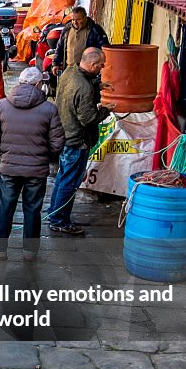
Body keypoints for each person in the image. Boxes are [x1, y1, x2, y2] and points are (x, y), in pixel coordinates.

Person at [0, 67, 65, 262]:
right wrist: (44, 158)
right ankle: (30, 252)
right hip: (36, 170)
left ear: (19, 83)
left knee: (6, 207)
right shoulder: (49, 109)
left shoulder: (2, 105)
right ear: (39, 85)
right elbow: (57, 143)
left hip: (9, 168)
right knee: (32, 210)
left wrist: (5, 154)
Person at [48, 47, 110, 235]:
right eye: (100, 65)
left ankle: (54, 213)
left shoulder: (70, 71)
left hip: (64, 134)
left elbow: (83, 86)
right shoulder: (83, 88)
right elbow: (88, 119)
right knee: (70, 181)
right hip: (76, 140)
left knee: (63, 177)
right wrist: (107, 109)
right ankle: (59, 220)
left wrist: (98, 85)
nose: (102, 67)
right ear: (92, 64)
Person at [53, 6, 109, 74]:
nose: (75, 22)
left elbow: (104, 49)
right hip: (68, 69)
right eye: (73, 20)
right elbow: (59, 47)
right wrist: (55, 64)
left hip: (86, 72)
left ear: (85, 18)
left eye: (78, 19)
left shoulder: (94, 29)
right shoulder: (67, 29)